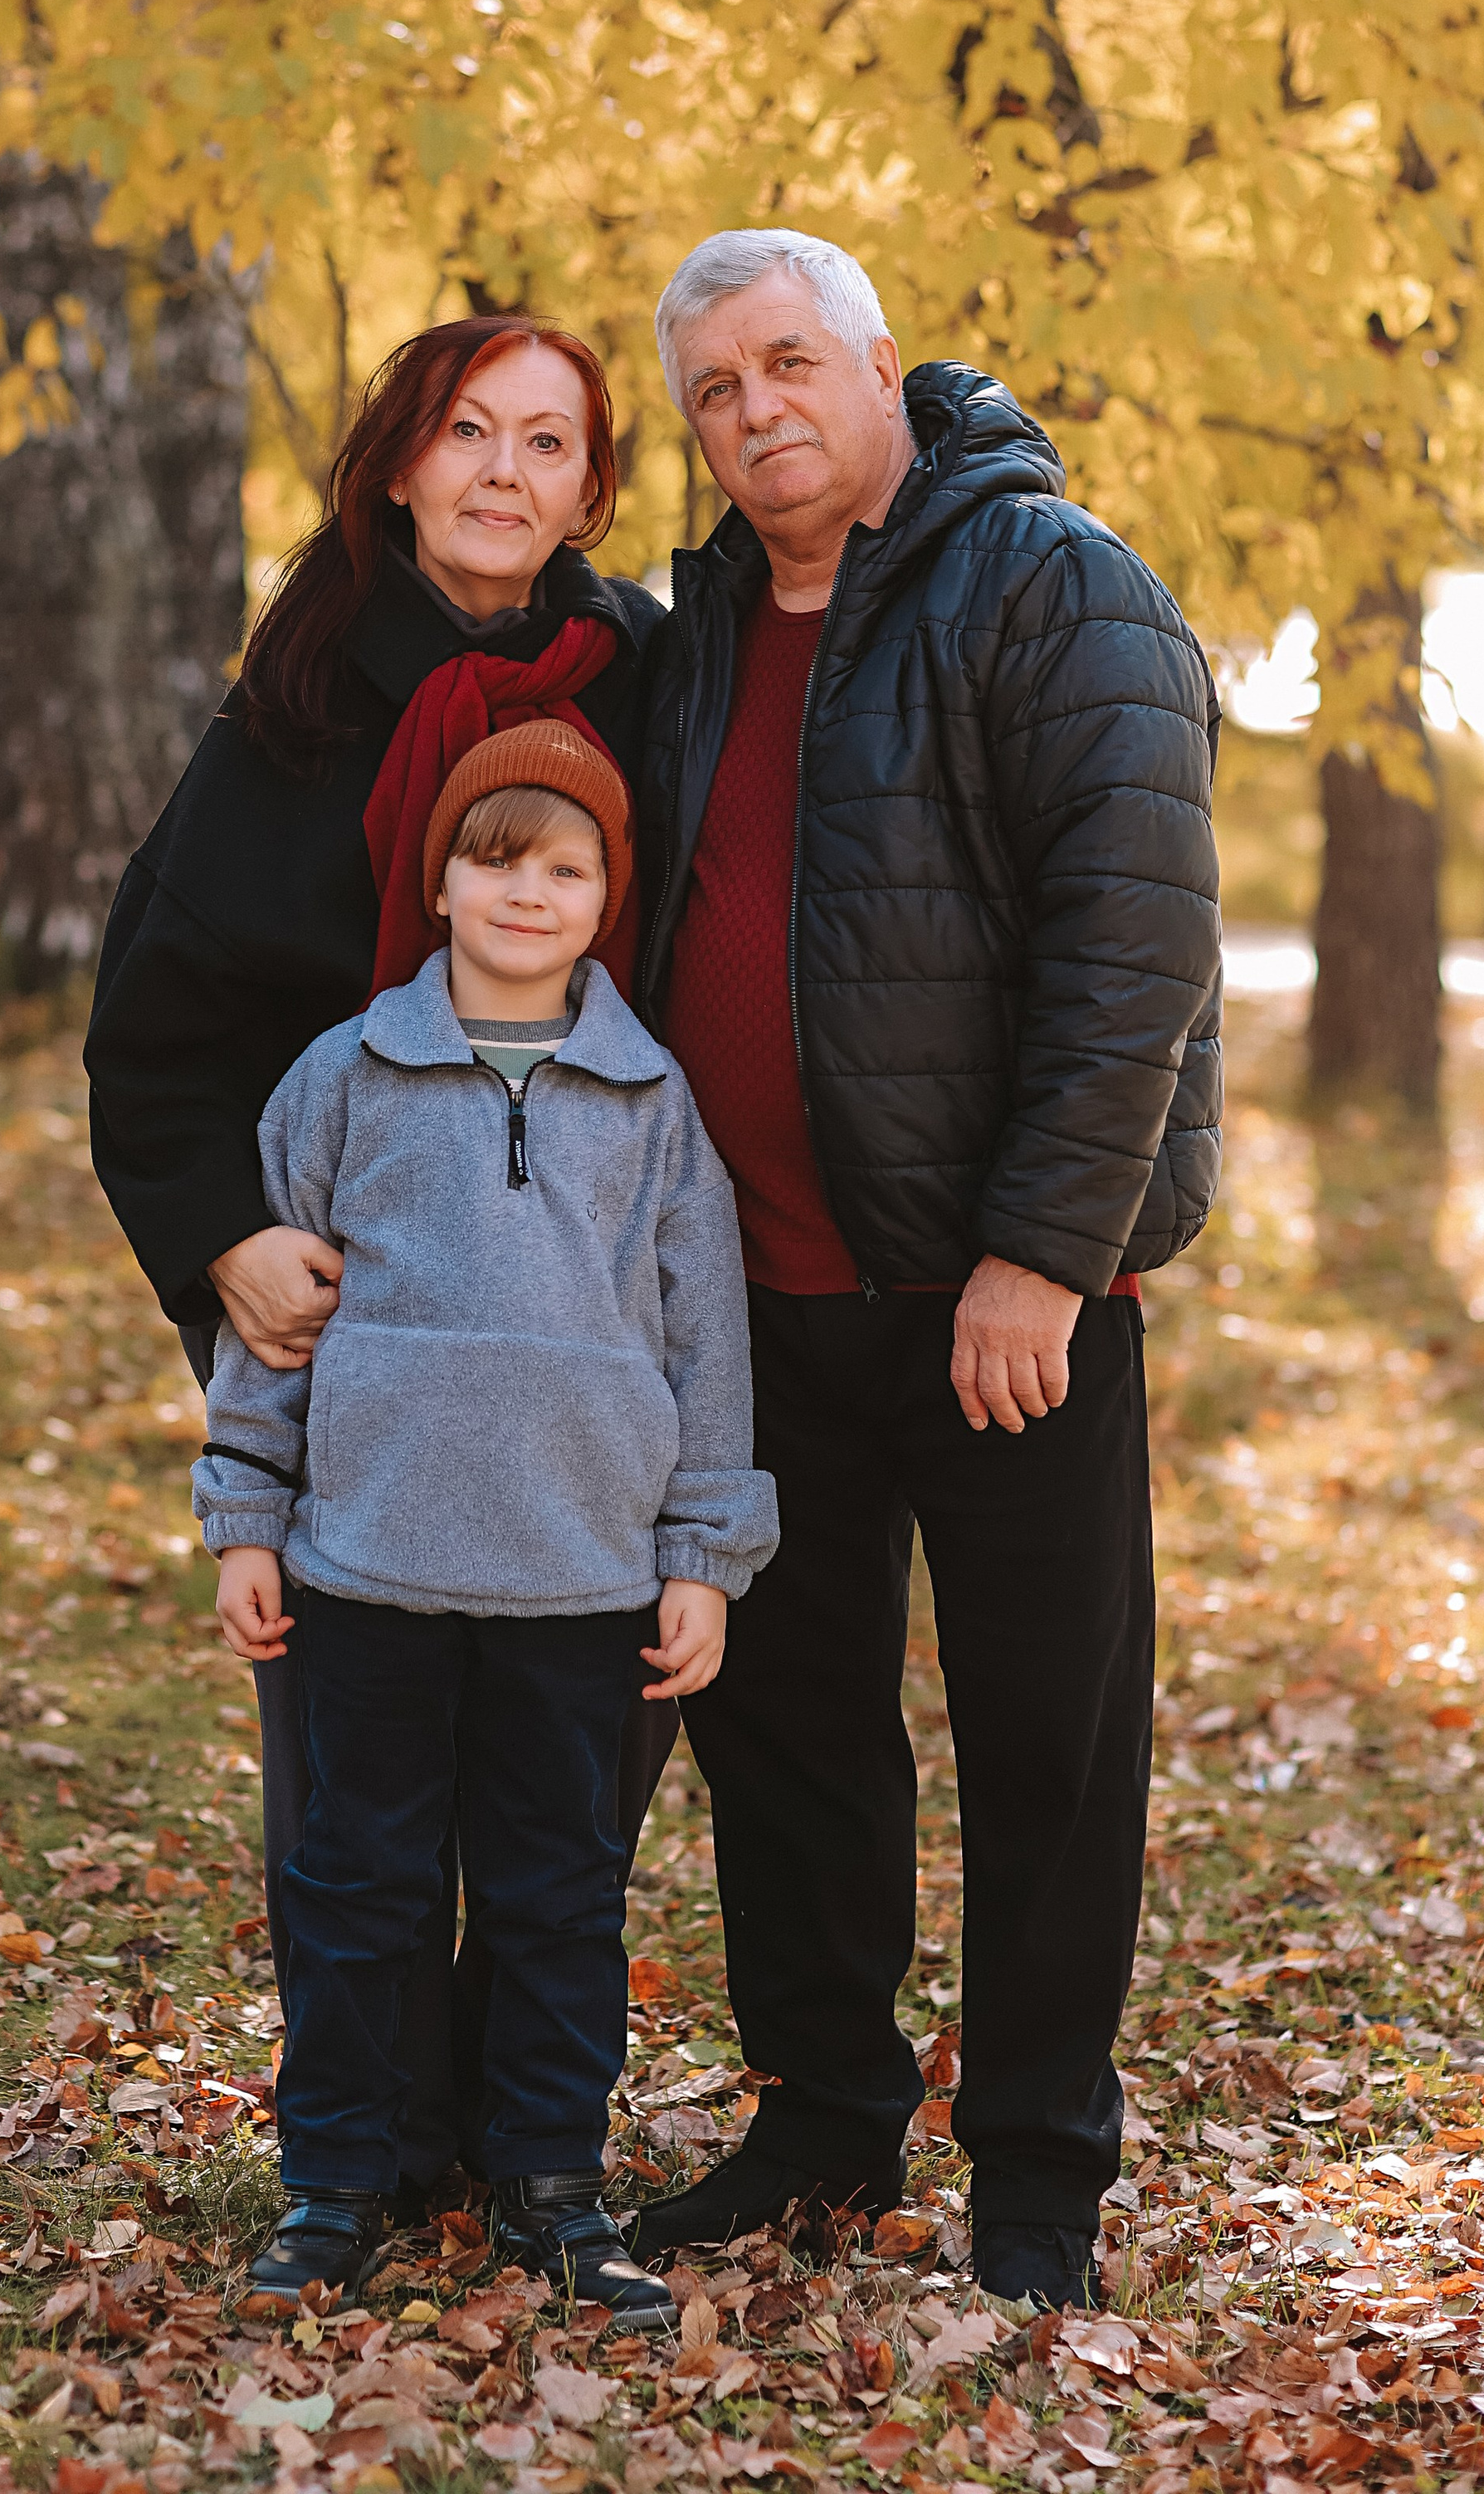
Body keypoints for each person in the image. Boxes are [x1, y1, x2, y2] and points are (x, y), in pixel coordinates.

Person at [623, 228, 1223, 2314]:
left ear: (880, 361)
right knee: (785, 1736)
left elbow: (1132, 945)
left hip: (1005, 1315)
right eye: (712, 390)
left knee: (1043, 1744)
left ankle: (1038, 2169)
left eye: (786, 362)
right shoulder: (696, 622)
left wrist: (1037, 1258)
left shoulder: (1048, 578)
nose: (753, 411)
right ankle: (818, 2122)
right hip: (761, 1307)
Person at [83, 315, 676, 2205]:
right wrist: (223, 1244)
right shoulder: (303, 694)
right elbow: (153, 1027)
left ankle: (518, 2122)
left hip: (583, 1313)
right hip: (343, 1301)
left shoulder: (647, 677)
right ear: (401, 463)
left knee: (568, 1756)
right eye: (466, 434)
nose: (504, 473)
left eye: (546, 444)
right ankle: (367, 2132)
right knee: (352, 1761)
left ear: (593, 487)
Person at [194, 721, 777, 2317]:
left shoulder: (652, 1103)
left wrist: (702, 1557)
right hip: (368, 1567)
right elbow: (275, 1327)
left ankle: (552, 2184)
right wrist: (246, 1511)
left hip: (581, 1582)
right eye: (495, 859)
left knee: (558, 1899)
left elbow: (704, 1342)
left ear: (609, 899)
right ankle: (332, 2179)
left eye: (567, 867)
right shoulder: (347, 1076)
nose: (528, 892)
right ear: (440, 880)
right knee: (357, 1885)